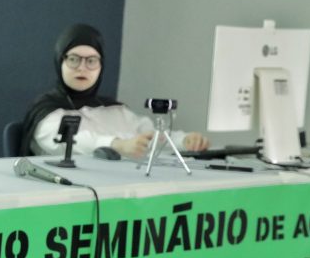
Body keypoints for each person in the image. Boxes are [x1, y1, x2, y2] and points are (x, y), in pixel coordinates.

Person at [20, 23, 209, 159]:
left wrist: (185, 141)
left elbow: (152, 137)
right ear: (59, 61)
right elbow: (64, 143)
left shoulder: (115, 110)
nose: (82, 68)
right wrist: (117, 145)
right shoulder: (47, 111)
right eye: (74, 59)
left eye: (91, 61)